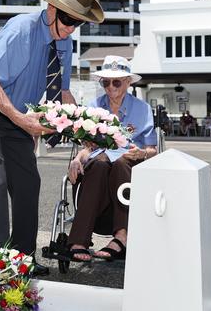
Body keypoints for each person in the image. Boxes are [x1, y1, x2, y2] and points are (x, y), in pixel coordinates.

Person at [0, 0, 105, 276]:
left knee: (28, 183)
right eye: (67, 19)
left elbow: (62, 93)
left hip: (15, 116)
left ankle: (22, 259)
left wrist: (84, 128)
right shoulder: (21, 30)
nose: (70, 28)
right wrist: (20, 118)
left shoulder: (64, 41)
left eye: (78, 24)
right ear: (51, 8)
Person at [64, 56, 157, 262]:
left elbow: (153, 150)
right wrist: (77, 159)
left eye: (116, 82)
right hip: (100, 163)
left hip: (129, 164)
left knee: (122, 162)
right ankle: (79, 239)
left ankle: (121, 237)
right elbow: (87, 147)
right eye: (105, 82)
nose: (110, 87)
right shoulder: (93, 106)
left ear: (128, 82)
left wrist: (141, 153)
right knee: (97, 163)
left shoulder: (142, 109)